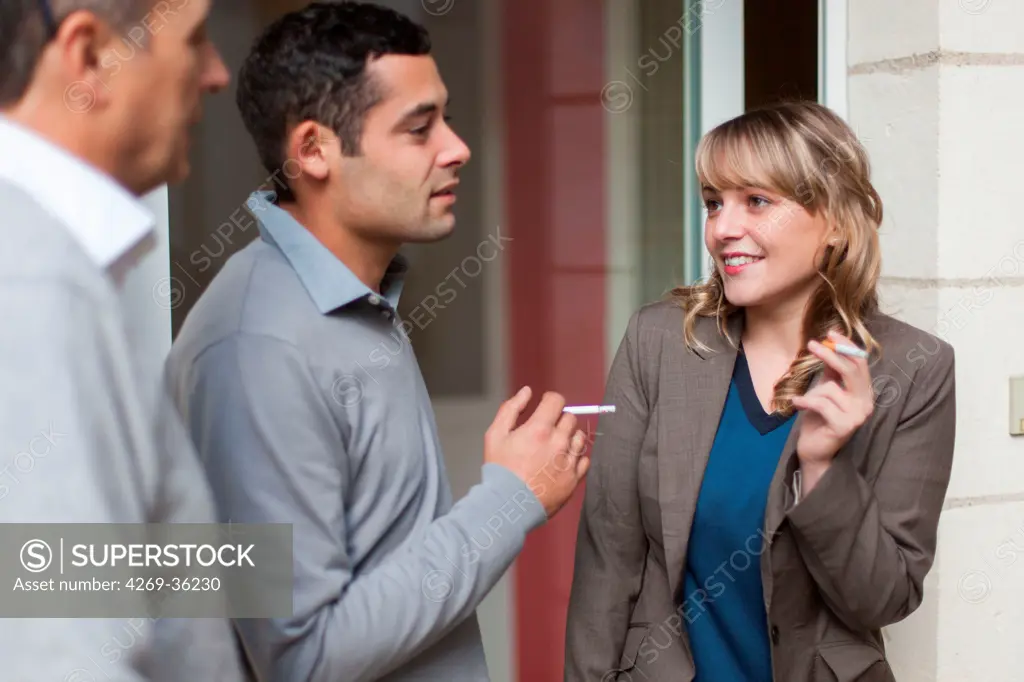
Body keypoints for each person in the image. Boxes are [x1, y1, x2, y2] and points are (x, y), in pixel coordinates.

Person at [163, 3, 590, 681]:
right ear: (312, 150)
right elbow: (305, 655)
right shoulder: (256, 350)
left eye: (445, 118)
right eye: (419, 128)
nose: (457, 147)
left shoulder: (358, 301)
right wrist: (510, 497)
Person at [564, 100, 957, 682]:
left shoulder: (914, 369)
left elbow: (882, 600)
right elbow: (608, 560)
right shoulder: (659, 341)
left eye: (758, 201)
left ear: (835, 221)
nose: (723, 228)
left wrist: (824, 468)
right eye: (713, 203)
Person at [0, 1, 241, 681]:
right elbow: (59, 657)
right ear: (87, 57)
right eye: (195, 42)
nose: (216, 74)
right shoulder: (34, 284)